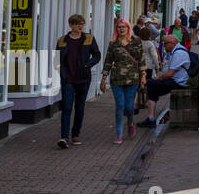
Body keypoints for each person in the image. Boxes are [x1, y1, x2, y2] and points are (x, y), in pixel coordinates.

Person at [55, 14, 102, 149]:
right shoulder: (62, 41)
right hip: (68, 79)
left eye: (82, 24)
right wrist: (61, 71)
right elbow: (56, 59)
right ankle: (64, 137)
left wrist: (88, 64)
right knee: (67, 107)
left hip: (83, 78)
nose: (81, 26)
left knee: (80, 107)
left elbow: (97, 55)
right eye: (78, 24)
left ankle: (75, 134)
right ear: (71, 25)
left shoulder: (89, 38)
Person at [99, 18, 145, 144]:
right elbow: (108, 61)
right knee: (120, 106)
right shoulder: (113, 43)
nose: (121, 29)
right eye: (119, 27)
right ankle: (119, 134)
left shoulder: (136, 41)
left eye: (123, 27)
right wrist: (103, 78)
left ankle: (130, 123)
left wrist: (143, 75)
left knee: (129, 107)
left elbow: (141, 59)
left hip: (132, 78)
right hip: (116, 79)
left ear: (128, 28)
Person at [140, 34, 191, 126]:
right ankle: (151, 118)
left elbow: (170, 73)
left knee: (151, 84)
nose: (164, 46)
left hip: (178, 83)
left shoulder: (179, 53)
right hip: (176, 80)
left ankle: (151, 118)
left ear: (172, 43)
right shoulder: (174, 52)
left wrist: (158, 77)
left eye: (165, 43)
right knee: (152, 86)